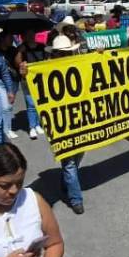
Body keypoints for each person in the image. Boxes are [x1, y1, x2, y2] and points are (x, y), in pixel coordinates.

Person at [46, 35, 87, 214]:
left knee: (79, 154)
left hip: (79, 117)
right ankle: (76, 199)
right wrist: (25, 74)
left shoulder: (78, 64)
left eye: (67, 52)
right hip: (60, 121)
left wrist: (101, 56)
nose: (64, 55)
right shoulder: (46, 70)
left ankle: (66, 181)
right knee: (69, 162)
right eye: (61, 53)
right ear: (55, 54)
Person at [14, 32, 48, 141]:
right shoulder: (21, 48)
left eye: (31, 33)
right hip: (27, 80)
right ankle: (32, 127)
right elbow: (17, 63)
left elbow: (47, 60)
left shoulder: (42, 46)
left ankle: (38, 124)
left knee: (39, 102)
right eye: (27, 34)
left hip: (40, 79)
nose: (29, 36)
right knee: (31, 103)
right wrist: (20, 52)